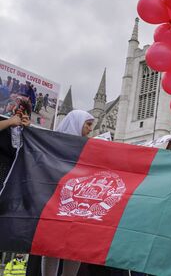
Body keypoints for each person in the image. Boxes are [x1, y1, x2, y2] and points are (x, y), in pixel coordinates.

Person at [41, 110, 95, 276]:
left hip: (77, 202)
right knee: (51, 247)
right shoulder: (53, 143)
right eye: (88, 125)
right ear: (77, 123)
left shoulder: (89, 146)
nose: (90, 129)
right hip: (56, 201)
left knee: (75, 248)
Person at [0, 98, 31, 187]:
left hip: (9, 173)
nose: (19, 110)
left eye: (23, 109)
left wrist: (28, 131)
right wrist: (9, 122)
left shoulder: (23, 127)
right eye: (17, 106)